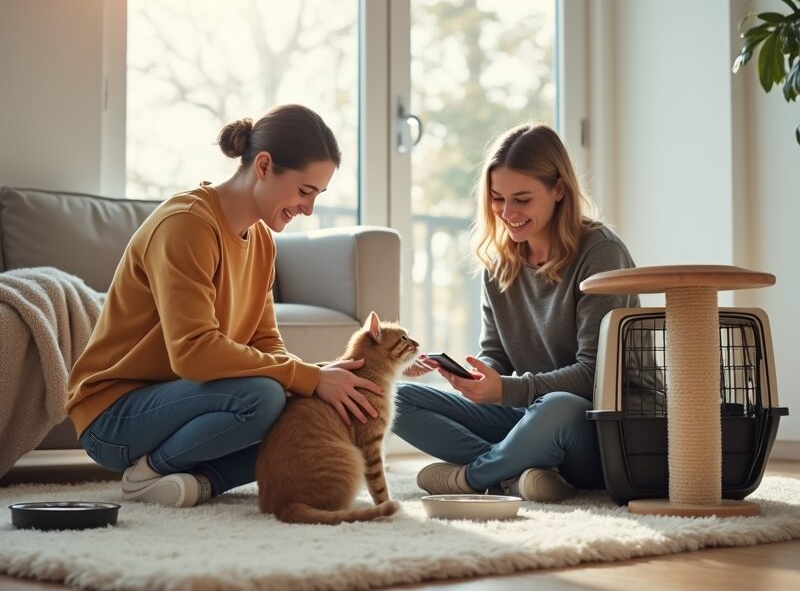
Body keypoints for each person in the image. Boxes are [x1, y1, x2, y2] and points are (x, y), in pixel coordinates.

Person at [67, 104, 383, 508]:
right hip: (114, 417)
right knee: (264, 396)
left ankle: (200, 483)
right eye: (305, 191)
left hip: (182, 405)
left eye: (317, 196)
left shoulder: (263, 242)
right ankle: (150, 471)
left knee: (306, 414)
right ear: (265, 165)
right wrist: (305, 376)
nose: (309, 209)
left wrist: (312, 383)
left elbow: (266, 340)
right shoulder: (186, 224)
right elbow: (194, 354)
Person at [392, 123, 638, 501]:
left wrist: (508, 389)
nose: (508, 213)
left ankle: (476, 477)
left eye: (522, 199)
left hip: (594, 426)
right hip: (525, 415)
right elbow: (499, 356)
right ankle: (518, 473)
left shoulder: (600, 252)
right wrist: (476, 377)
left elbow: (596, 374)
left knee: (555, 408)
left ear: (558, 190)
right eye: (497, 198)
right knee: (398, 398)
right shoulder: (499, 262)